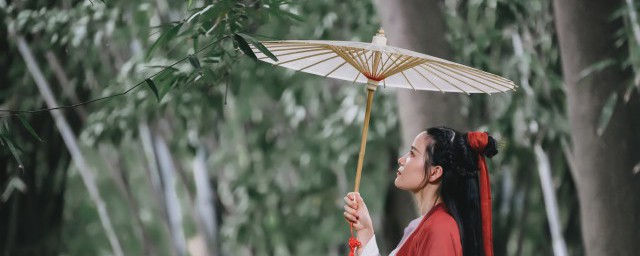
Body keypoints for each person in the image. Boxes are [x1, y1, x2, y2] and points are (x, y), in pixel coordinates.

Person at [343, 126, 498, 256]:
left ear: (434, 172)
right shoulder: (424, 226)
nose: (401, 160)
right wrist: (365, 229)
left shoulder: (440, 230)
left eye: (412, 153)